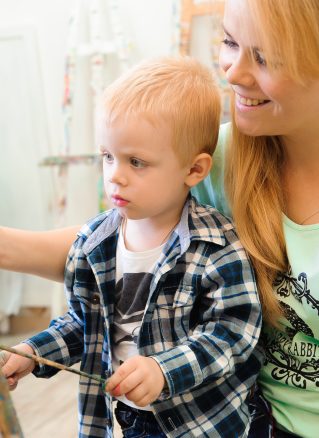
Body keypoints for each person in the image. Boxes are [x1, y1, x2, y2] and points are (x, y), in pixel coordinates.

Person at [1, 0, 318, 436]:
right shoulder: (222, 155)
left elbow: (231, 331)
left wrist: (164, 370)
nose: (231, 72)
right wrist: (34, 351)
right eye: (229, 42)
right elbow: (98, 289)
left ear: (194, 169)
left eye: (263, 57)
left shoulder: (213, 231)